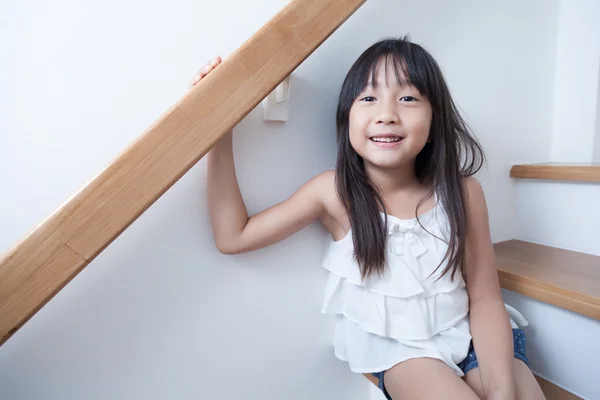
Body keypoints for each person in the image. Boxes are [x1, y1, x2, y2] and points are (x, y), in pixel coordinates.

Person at [190, 37, 546, 400]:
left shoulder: (463, 192)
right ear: (347, 118)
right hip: (399, 352)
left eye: (407, 98)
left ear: (434, 117)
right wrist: (219, 132)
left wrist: (502, 393)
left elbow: (485, 299)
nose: (387, 113)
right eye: (369, 98)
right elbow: (233, 236)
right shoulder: (334, 192)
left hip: (473, 334)